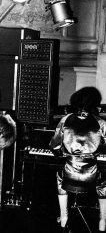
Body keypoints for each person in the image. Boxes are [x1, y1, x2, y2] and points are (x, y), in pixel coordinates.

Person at [50, 86, 106, 232]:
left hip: (70, 172)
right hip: (91, 174)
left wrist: (64, 154)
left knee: (60, 179)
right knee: (103, 183)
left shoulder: (65, 119)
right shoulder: (101, 123)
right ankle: (103, 221)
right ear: (94, 104)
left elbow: (55, 146)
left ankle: (64, 217)